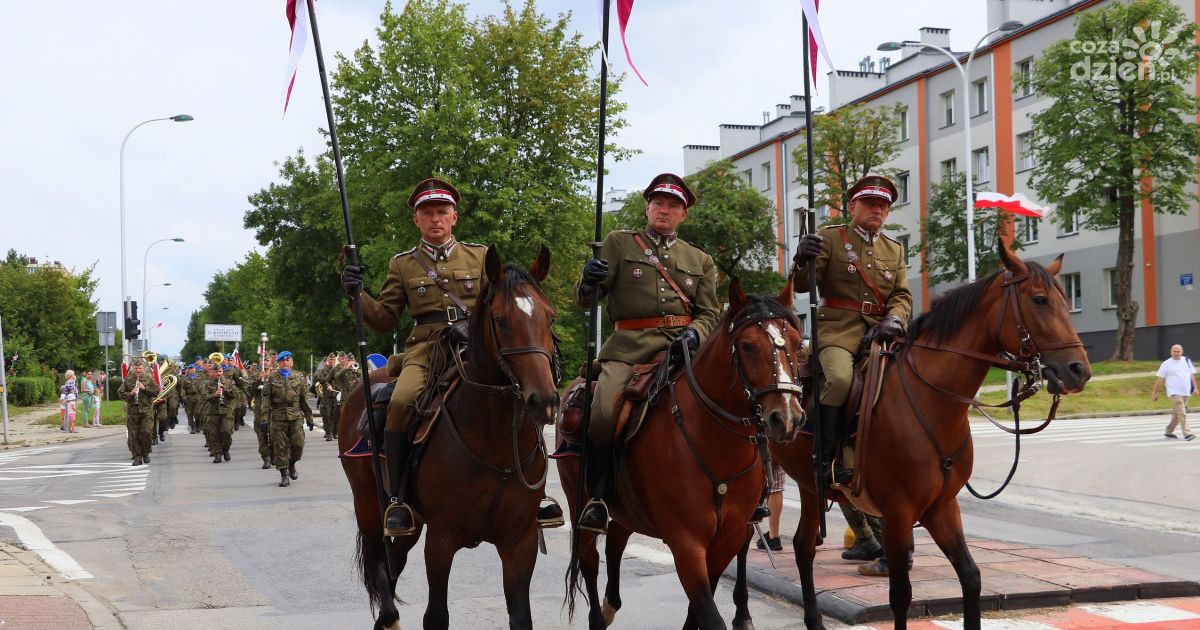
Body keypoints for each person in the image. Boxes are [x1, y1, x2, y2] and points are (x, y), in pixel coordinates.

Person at [340, 178, 489, 536]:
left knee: (520, 390)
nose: (435, 219)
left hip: (479, 345)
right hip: (428, 347)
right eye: (427, 213)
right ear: (416, 221)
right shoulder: (404, 264)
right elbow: (385, 318)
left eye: (441, 212)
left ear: (454, 217)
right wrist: (355, 294)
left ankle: (535, 493)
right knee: (402, 401)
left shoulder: (480, 256)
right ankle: (398, 497)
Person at [573, 173, 721, 534]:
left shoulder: (699, 259)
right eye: (658, 203)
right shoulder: (619, 243)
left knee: (731, 398)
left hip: (681, 348)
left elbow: (710, 313)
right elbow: (586, 300)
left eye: (673, 205)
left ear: (683, 215)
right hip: (630, 348)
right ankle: (598, 497)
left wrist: (694, 333)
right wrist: (587, 280)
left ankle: (742, 492)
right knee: (604, 412)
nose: (664, 210)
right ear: (648, 207)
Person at [791, 174, 912, 486]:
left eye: (883, 205)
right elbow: (804, 286)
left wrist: (895, 318)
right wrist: (802, 258)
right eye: (870, 203)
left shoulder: (894, 249)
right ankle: (826, 457)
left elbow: (900, 295)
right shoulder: (831, 238)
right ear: (852, 205)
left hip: (881, 332)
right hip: (837, 333)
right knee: (841, 380)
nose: (877, 209)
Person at [264, 351, 313, 487]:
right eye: (282, 361)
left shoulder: (298, 377)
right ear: (278, 363)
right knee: (280, 447)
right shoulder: (272, 378)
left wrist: (309, 417)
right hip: (278, 417)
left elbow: (304, 399)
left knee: (298, 445)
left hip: (296, 416)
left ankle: (291, 464)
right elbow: (266, 401)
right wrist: (264, 419)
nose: (285, 363)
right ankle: (284, 474)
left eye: (288, 360)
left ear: (291, 362)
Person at [1152, 344, 1198, 441]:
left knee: (1178, 413)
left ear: (1182, 352)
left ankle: (1169, 431)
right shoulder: (1166, 364)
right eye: (1174, 351)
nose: (1176, 353)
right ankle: (1187, 434)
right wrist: (1155, 393)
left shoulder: (1186, 361)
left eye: (1178, 351)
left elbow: (1192, 376)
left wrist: (1196, 388)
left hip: (1186, 392)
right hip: (1174, 392)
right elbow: (1160, 379)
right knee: (1182, 412)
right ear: (1171, 352)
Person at [118, 360, 159, 466]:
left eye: (140, 368)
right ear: (133, 369)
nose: (138, 370)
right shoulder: (128, 379)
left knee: (146, 432)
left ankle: (146, 452)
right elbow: (120, 393)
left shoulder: (149, 378)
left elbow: (156, 392)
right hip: (133, 411)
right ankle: (137, 457)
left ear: (143, 369)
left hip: (146, 410)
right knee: (133, 435)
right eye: (136, 368)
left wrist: (144, 389)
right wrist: (129, 394)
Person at [202, 361, 238, 463]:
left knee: (226, 432)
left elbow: (236, 395)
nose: (218, 373)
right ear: (211, 372)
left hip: (226, 412)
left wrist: (225, 390)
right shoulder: (207, 384)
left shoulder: (228, 382)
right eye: (216, 371)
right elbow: (205, 396)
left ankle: (226, 450)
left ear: (223, 372)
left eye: (220, 371)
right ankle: (217, 454)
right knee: (213, 434)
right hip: (212, 412)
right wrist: (215, 395)